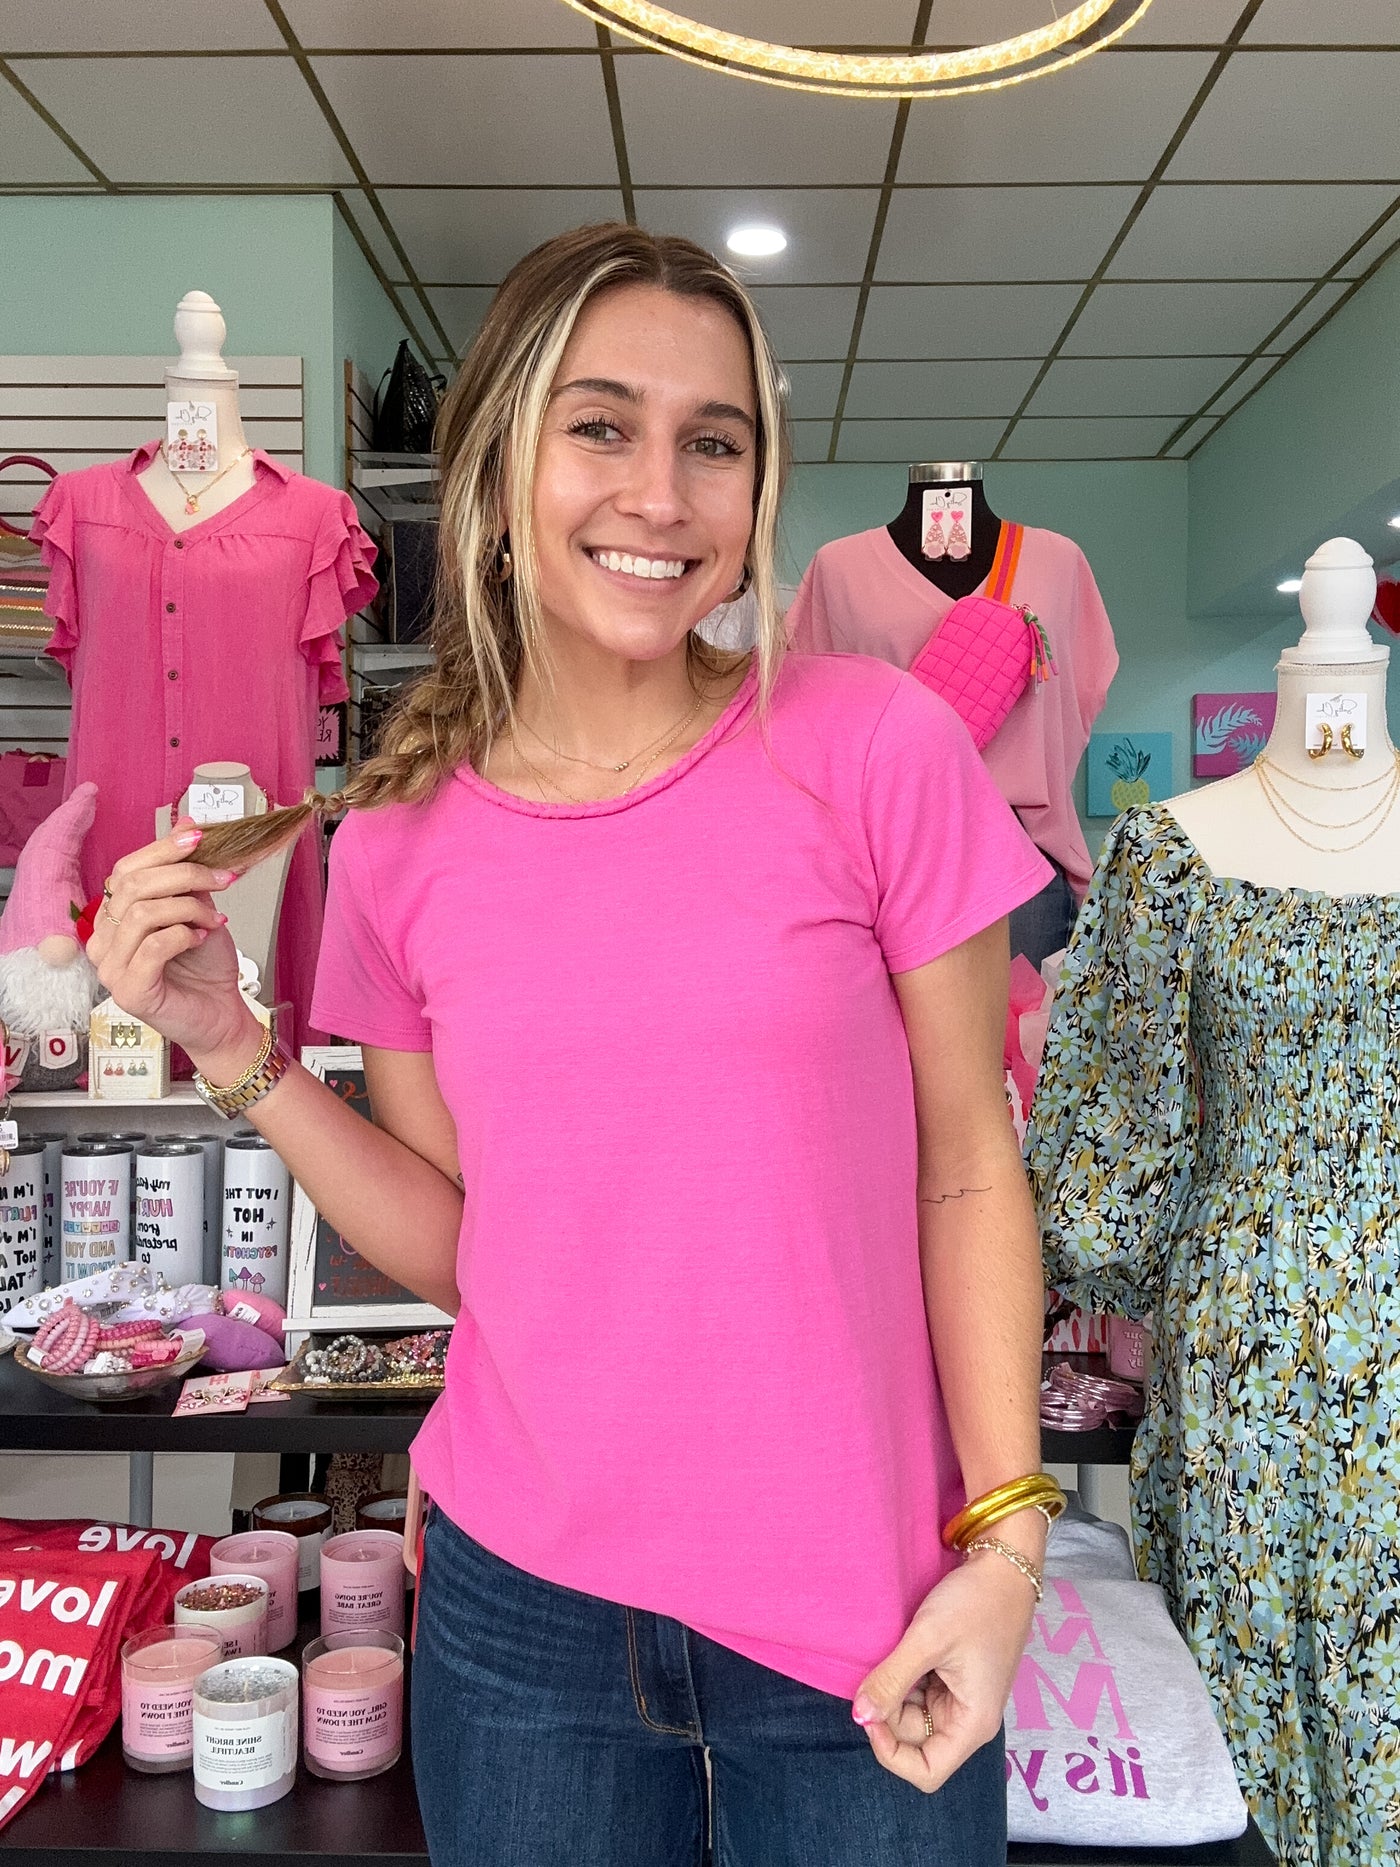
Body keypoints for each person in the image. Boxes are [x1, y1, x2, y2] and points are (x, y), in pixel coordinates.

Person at [88, 223, 1060, 1866]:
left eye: (716, 441)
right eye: (600, 424)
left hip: (859, 1614)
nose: (660, 494)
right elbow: (473, 1249)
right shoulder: (398, 836)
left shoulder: (872, 749)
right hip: (525, 1618)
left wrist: (1010, 1550)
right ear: (499, 466)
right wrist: (220, 1041)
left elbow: (970, 1168)